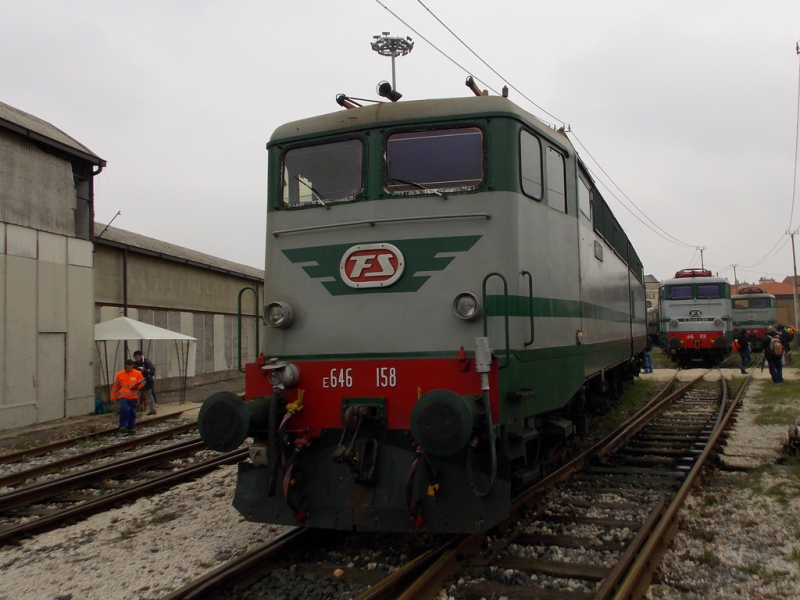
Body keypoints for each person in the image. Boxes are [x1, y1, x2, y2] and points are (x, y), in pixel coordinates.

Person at [111, 359, 146, 433]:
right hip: (123, 397)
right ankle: (122, 425)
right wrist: (113, 397)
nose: (127, 369)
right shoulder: (120, 374)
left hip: (133, 397)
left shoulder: (138, 373)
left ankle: (131, 427)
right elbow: (116, 386)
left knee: (132, 412)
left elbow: (142, 382)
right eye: (126, 367)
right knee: (125, 409)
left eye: (129, 367)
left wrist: (137, 387)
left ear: (132, 366)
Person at [133, 350, 157, 415]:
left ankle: (153, 410)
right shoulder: (135, 363)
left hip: (146, 382)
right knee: (134, 397)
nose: (136, 358)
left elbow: (152, 372)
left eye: (136, 357)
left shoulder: (146, 362)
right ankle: (133, 410)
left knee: (149, 397)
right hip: (138, 382)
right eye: (135, 357)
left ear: (140, 356)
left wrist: (143, 370)